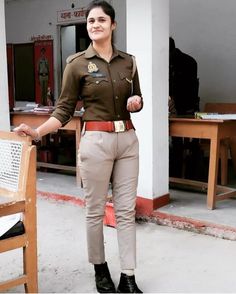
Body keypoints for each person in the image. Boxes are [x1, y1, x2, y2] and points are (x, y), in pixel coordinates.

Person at [14, 1, 143, 293]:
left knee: (125, 211)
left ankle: (128, 276)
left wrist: (136, 103)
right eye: (90, 21)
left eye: (101, 20)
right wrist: (36, 131)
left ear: (113, 25)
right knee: (95, 210)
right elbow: (63, 111)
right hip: (95, 141)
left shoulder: (129, 61)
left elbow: (137, 98)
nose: (95, 25)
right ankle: (100, 269)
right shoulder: (77, 64)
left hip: (128, 141)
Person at [169, 37, 202, 179]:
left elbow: (185, 90)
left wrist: (170, 98)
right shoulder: (188, 60)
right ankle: (177, 174)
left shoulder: (186, 62)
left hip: (184, 109)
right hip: (179, 106)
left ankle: (178, 175)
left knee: (178, 140)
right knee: (176, 139)